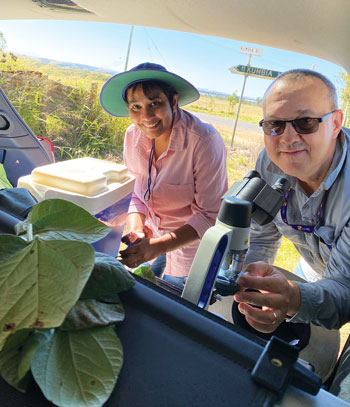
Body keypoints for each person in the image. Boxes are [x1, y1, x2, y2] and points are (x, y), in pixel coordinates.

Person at [231, 69, 349, 381]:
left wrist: (293, 300)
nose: (288, 137)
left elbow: (345, 291)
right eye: (274, 124)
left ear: (335, 123)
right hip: (314, 268)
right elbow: (262, 234)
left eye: (305, 122)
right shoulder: (269, 164)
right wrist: (256, 286)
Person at [100, 62, 228, 287]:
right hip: (151, 238)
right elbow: (137, 194)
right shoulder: (132, 136)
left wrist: (158, 246)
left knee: (175, 300)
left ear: (174, 101)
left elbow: (209, 215)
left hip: (191, 247)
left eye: (155, 103)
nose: (146, 116)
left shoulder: (203, 141)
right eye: (136, 107)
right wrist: (136, 228)